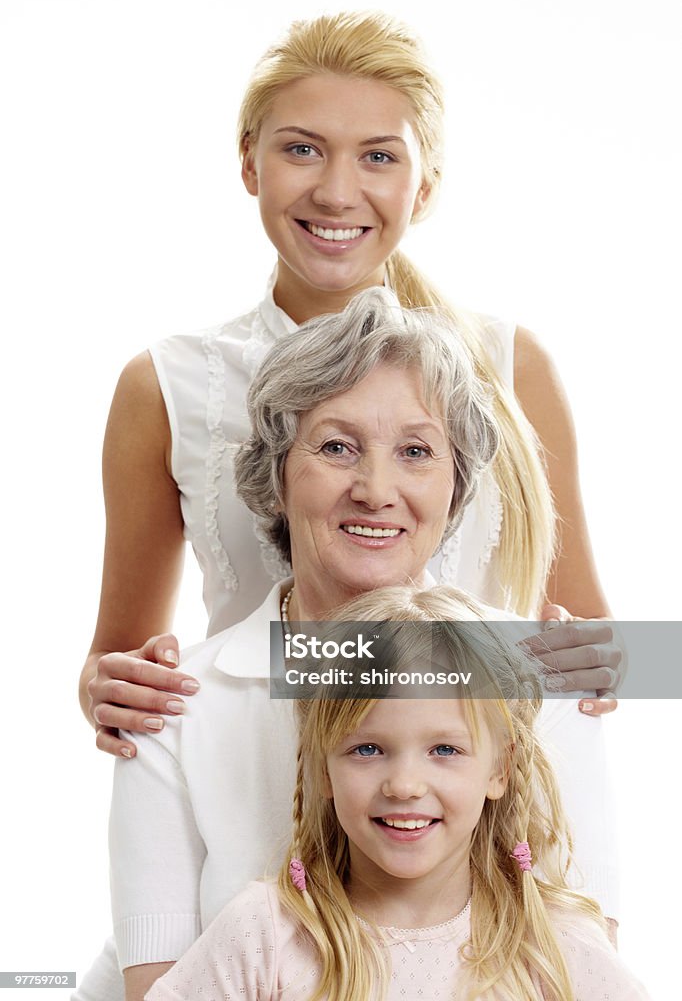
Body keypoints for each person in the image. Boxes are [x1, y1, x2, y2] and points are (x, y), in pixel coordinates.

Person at [80, 11, 619, 763]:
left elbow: (609, 658)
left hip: (459, 814)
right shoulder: (165, 386)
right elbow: (119, 666)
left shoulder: (509, 366)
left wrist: (266, 674)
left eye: (378, 157)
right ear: (249, 164)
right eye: (302, 149)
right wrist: (111, 691)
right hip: (250, 782)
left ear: (424, 185)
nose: (337, 193)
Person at [103, 292, 617, 1001]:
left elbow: (581, 964)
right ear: (278, 474)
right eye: (337, 447)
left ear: (455, 484)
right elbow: (159, 983)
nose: (377, 490)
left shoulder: (541, 674)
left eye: (416, 452)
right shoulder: (172, 704)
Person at [142, 586, 648, 1001]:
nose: (404, 785)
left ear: (501, 769)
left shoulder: (556, 943)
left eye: (445, 749)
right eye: (367, 749)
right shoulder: (263, 933)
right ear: (321, 769)